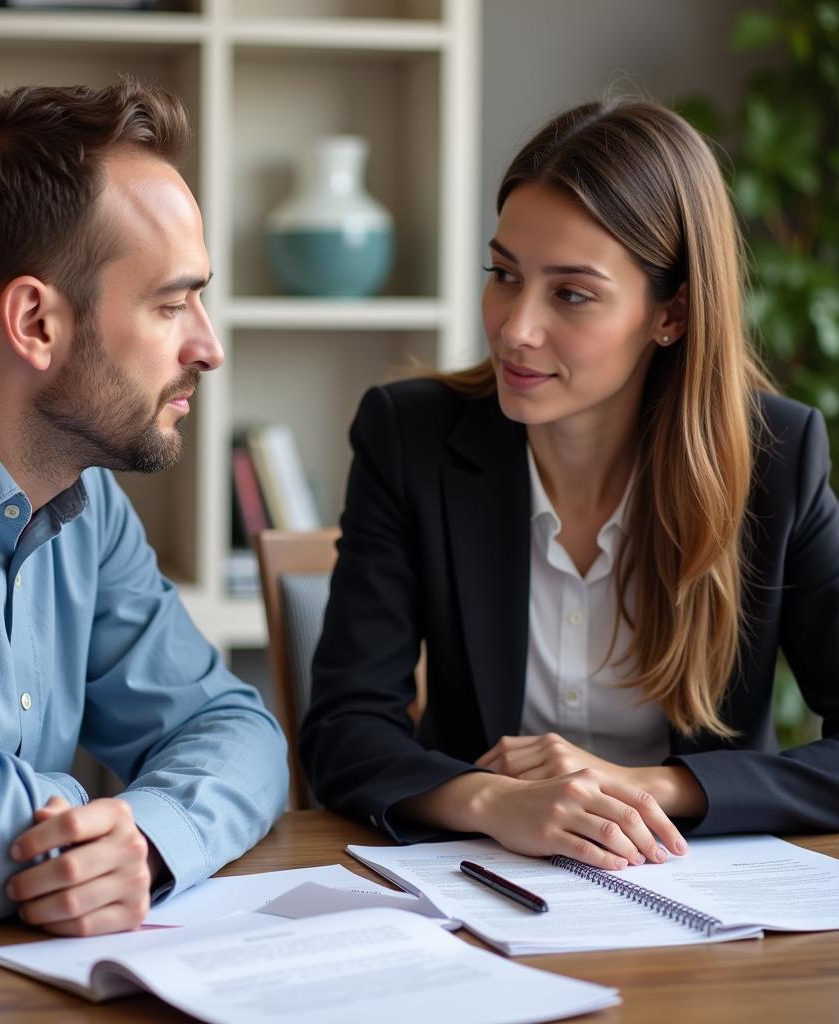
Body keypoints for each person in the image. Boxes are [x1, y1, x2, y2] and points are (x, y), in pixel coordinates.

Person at [0, 80, 288, 1022]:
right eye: (172, 305)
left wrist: (146, 836)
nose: (209, 346)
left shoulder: (86, 502)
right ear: (35, 322)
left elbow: (242, 732)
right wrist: (88, 822)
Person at [300, 96, 839, 870]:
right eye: (504, 274)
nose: (516, 327)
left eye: (572, 293)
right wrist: (495, 802)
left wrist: (644, 787)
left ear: (672, 314)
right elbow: (344, 732)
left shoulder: (775, 459)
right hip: (482, 882)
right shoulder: (408, 435)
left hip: (702, 900)